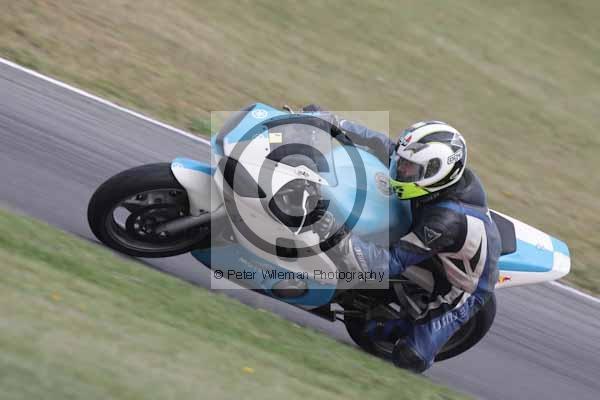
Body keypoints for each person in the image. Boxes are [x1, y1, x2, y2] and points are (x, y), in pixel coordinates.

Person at [303, 105, 501, 372]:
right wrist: (332, 122)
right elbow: (383, 145)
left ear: (436, 173)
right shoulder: (433, 178)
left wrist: (334, 233)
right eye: (404, 163)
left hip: (463, 287)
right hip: (439, 240)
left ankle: (398, 326)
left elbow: (389, 264)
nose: (401, 170)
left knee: (409, 357)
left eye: (410, 168)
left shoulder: (446, 221)